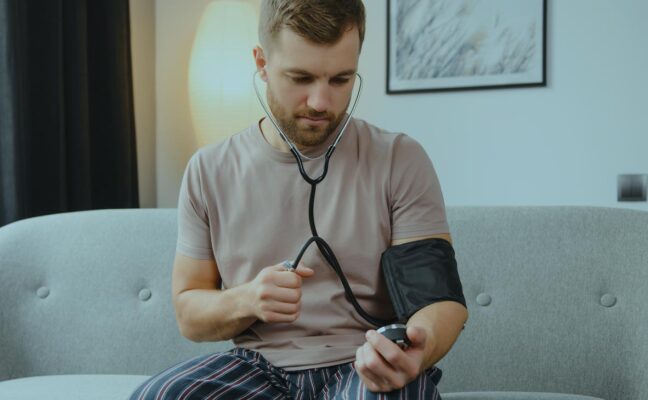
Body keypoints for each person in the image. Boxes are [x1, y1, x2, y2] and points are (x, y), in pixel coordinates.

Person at [131, 0, 467, 398]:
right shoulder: (209, 170)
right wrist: (248, 299)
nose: (321, 102)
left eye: (341, 80)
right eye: (300, 78)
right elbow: (189, 314)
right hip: (258, 366)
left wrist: (418, 349)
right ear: (261, 63)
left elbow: (440, 301)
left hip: (363, 362)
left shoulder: (399, 160)